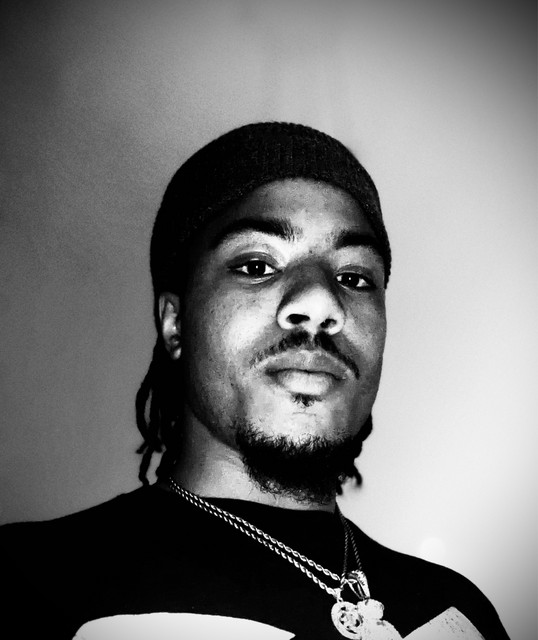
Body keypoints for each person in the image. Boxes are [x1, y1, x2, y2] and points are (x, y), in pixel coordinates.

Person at [1, 123, 509, 639]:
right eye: (257, 265)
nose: (321, 302)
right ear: (176, 324)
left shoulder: (456, 614)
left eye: (354, 277)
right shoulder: (30, 583)